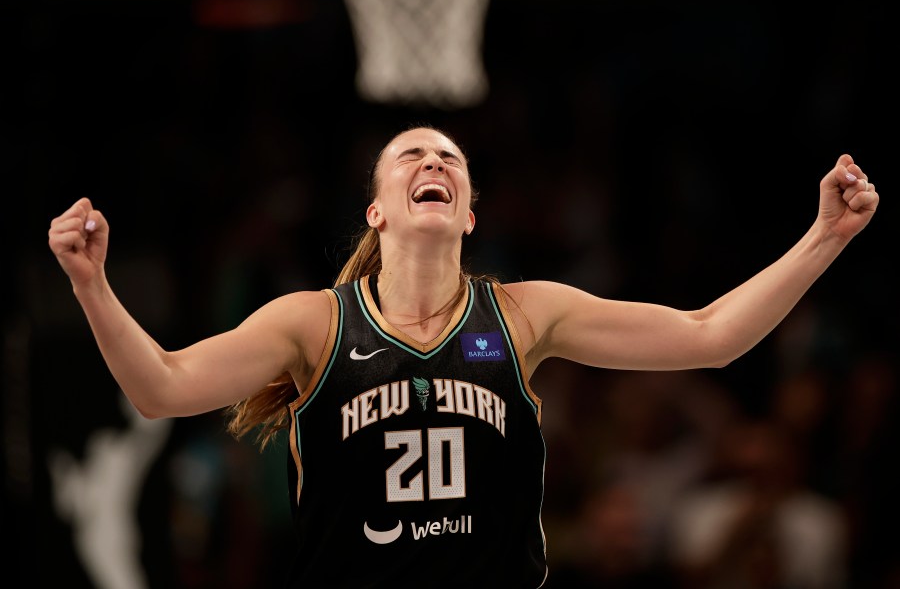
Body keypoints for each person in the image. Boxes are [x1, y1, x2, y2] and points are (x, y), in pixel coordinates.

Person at [47, 125, 878, 588]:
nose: (434, 161)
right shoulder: (312, 325)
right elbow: (160, 388)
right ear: (376, 209)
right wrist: (91, 285)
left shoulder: (521, 316)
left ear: (470, 213)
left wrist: (825, 237)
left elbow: (711, 336)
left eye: (451, 158)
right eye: (412, 154)